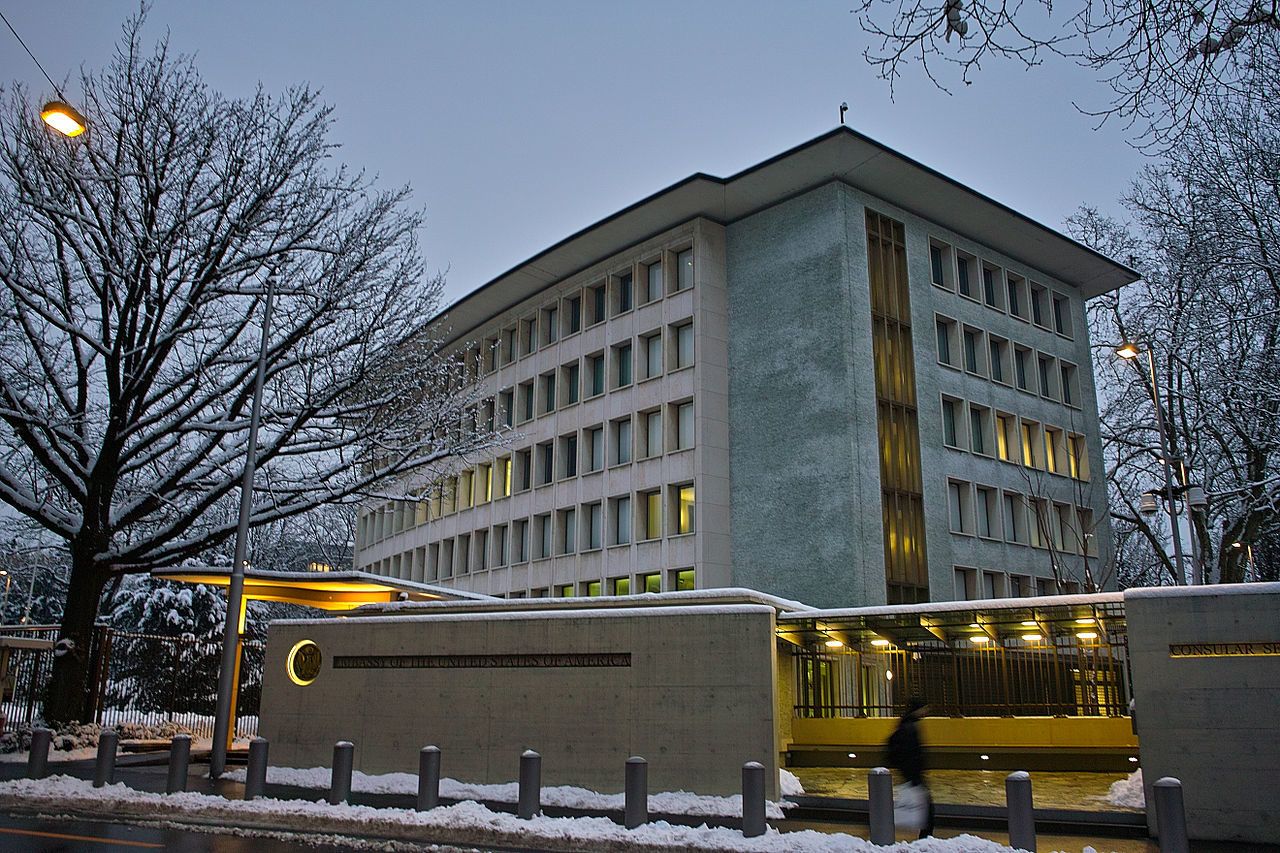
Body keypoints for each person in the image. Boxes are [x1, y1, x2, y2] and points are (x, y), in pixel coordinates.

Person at [886, 697, 935, 838]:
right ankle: (925, 839)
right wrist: (914, 774)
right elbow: (910, 752)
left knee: (924, 808)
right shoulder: (910, 727)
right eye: (925, 708)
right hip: (913, 774)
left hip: (911, 773)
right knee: (928, 810)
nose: (926, 711)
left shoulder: (907, 723)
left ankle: (925, 837)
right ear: (919, 709)